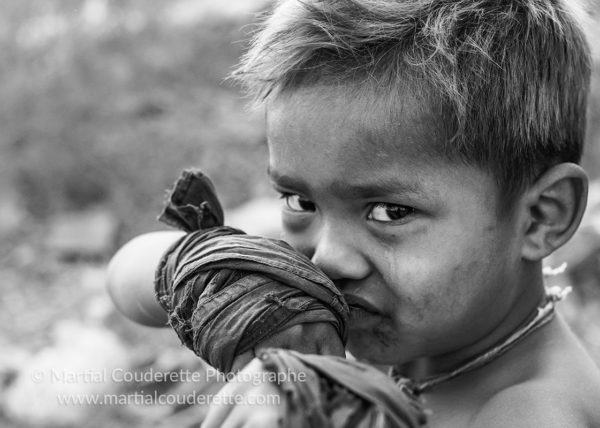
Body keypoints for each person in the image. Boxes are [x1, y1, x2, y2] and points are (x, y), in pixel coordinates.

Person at [107, 0, 600, 426]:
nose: (327, 257)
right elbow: (128, 276)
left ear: (541, 218)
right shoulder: (423, 335)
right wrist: (233, 289)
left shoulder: (532, 413)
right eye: (300, 202)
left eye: (389, 211)